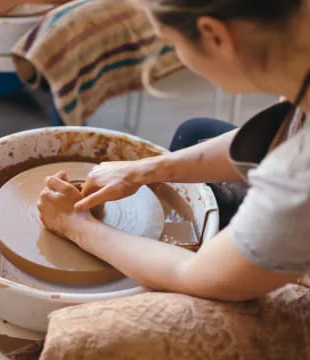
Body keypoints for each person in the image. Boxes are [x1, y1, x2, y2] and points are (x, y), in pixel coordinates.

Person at [37, 0, 310, 301]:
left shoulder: (299, 173)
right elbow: (283, 130)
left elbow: (197, 275)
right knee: (195, 133)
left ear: (214, 36)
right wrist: (144, 169)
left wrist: (74, 225)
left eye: (170, 42)